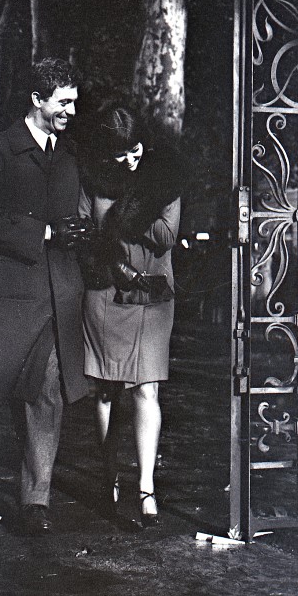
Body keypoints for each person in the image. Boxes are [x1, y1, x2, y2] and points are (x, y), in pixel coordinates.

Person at [0, 58, 92, 535]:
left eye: (74, 102)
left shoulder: (70, 154)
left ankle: (36, 500)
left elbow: (80, 209)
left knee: (49, 390)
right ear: (37, 99)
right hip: (13, 294)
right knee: (20, 389)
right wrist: (42, 233)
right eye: (63, 103)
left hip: (61, 292)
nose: (71, 112)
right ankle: (30, 484)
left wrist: (81, 231)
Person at [78, 106, 182, 527]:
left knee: (147, 390)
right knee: (105, 391)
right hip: (106, 292)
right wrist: (107, 245)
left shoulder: (165, 177)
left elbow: (166, 235)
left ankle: (146, 488)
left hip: (151, 296)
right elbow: (85, 233)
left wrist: (127, 211)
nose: (130, 160)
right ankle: (109, 480)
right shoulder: (94, 180)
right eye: (120, 153)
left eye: (135, 149)